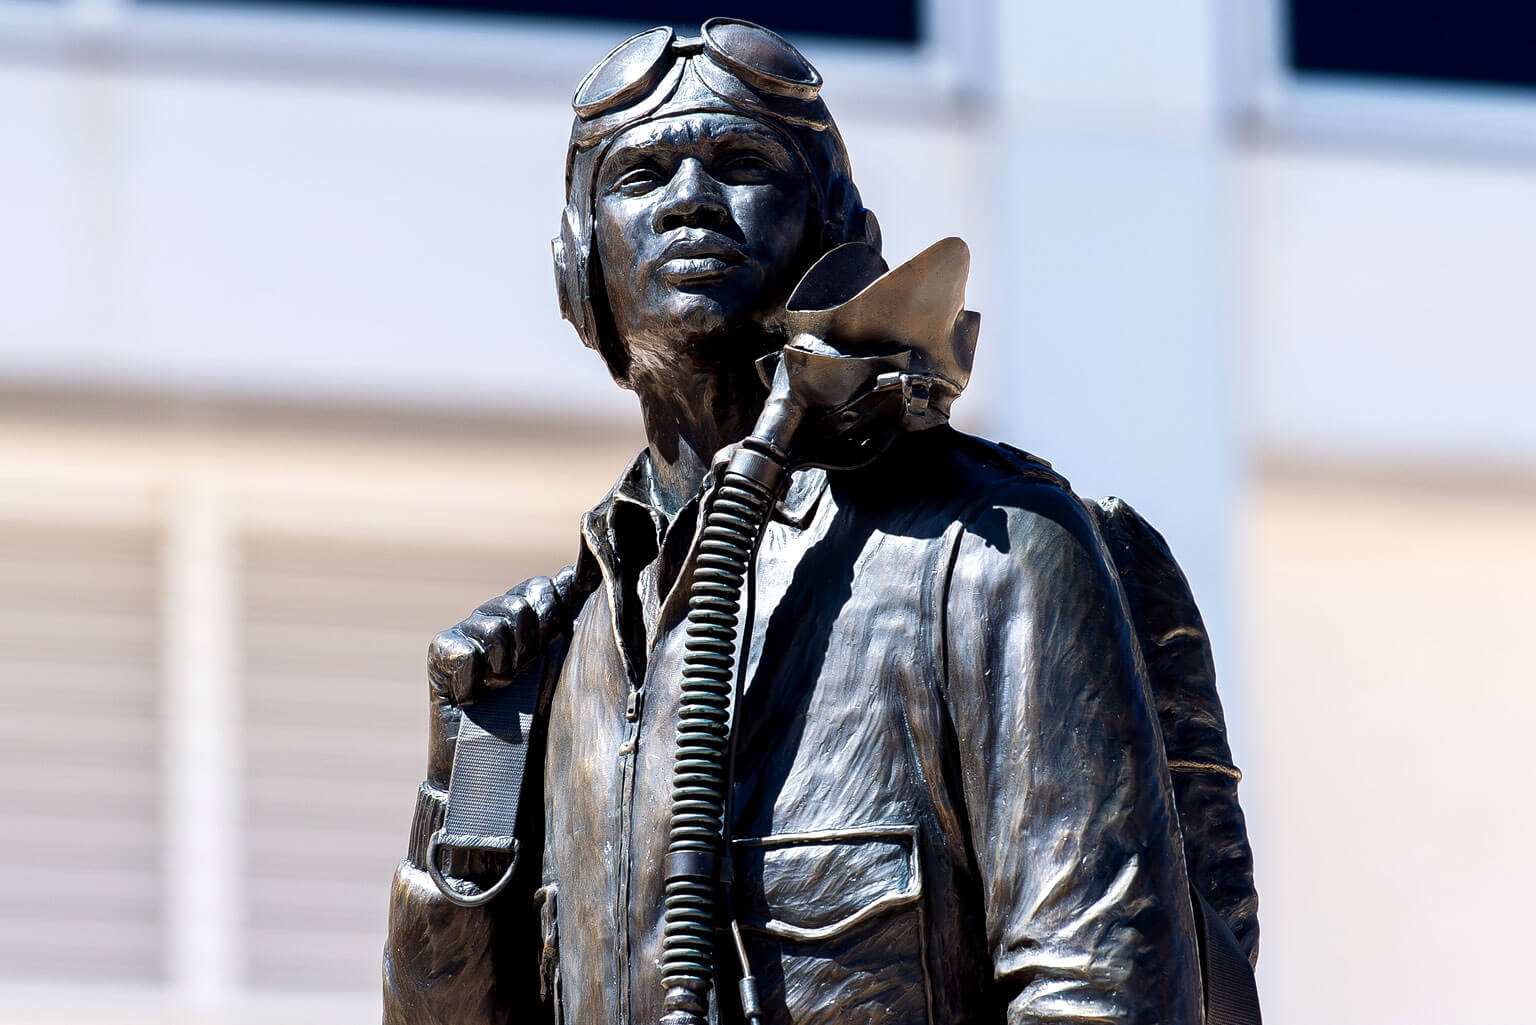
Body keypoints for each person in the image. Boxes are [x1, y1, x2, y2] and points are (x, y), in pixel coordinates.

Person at [384, 20, 1254, 1025]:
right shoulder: (554, 653)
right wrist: (470, 775)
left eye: (743, 162)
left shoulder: (991, 553)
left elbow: (1101, 994)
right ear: (578, 269)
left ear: (839, 232)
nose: (691, 200)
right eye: (641, 176)